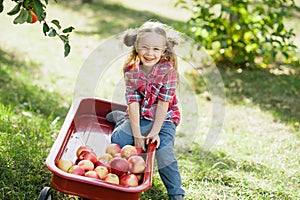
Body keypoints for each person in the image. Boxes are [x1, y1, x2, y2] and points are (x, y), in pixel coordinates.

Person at [106, 21, 185, 200]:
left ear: (164, 50)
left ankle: (176, 192)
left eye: (156, 49)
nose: (150, 53)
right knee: (119, 140)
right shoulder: (131, 71)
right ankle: (121, 119)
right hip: (139, 115)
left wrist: (155, 132)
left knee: (164, 152)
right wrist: (137, 136)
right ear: (136, 47)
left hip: (163, 119)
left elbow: (164, 104)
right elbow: (133, 103)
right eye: (145, 48)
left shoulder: (168, 72)